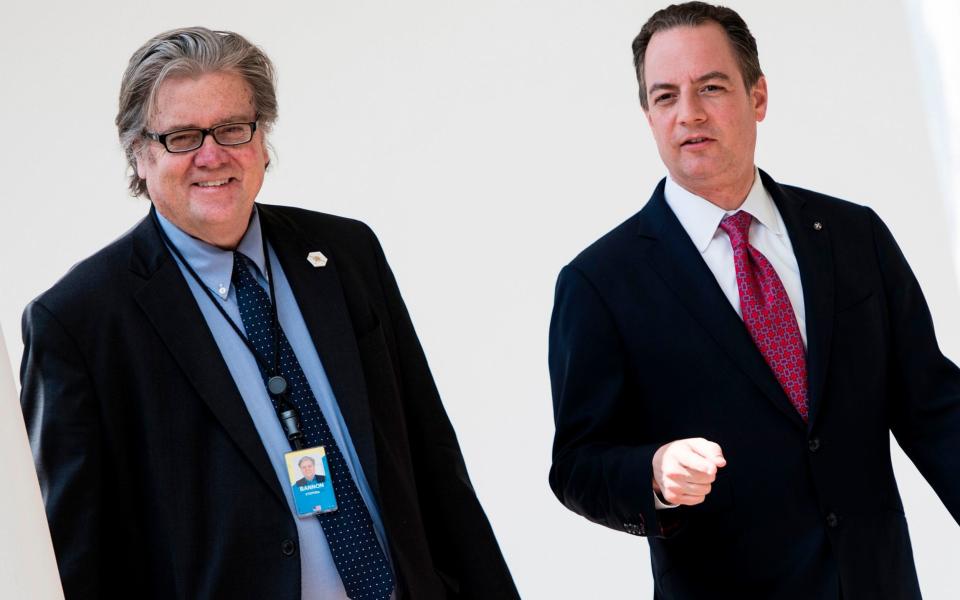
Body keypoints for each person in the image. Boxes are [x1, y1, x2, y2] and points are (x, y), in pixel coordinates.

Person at [20, 27, 517, 600]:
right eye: (182, 136)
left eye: (232, 128)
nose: (212, 155)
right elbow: (78, 558)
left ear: (261, 139)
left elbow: (434, 461)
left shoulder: (346, 253)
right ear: (140, 152)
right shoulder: (78, 323)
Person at [547, 3, 960, 598]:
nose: (688, 113)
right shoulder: (601, 283)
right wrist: (655, 474)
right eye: (665, 97)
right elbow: (578, 464)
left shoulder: (852, 237)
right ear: (648, 115)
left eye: (710, 87)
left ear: (757, 96)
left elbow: (934, 409)